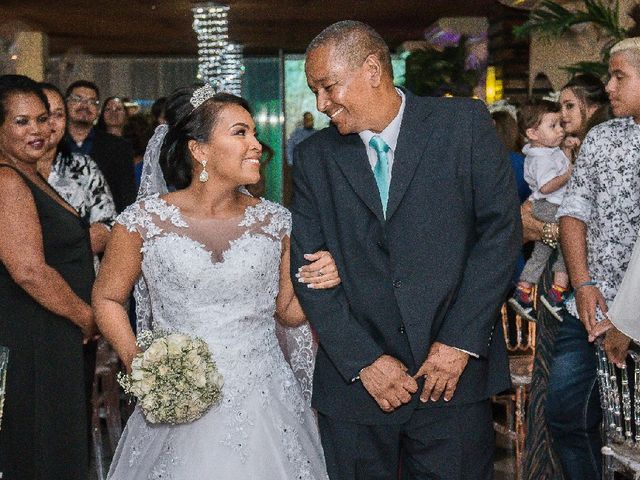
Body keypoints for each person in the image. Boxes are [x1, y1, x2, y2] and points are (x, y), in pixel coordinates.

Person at [291, 21, 520, 479]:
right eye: (315, 90)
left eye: (328, 87)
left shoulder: (464, 125)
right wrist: (364, 362)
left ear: (373, 69)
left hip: (451, 378)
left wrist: (459, 342)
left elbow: (501, 236)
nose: (321, 104)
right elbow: (308, 269)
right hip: (356, 388)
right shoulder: (316, 156)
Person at [93, 85, 342, 479]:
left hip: (264, 400)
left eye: (254, 133)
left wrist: (326, 273)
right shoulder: (142, 222)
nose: (256, 145)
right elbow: (107, 298)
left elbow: (289, 314)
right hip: (178, 398)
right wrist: (141, 361)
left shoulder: (277, 222)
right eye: (240, 133)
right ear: (200, 150)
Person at [549, 37, 640, 480]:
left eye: (620, 76)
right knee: (566, 415)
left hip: (636, 311)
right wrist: (583, 285)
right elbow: (573, 211)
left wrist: (629, 315)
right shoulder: (603, 137)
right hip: (589, 305)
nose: (608, 86)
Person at [0, 74, 96, 479]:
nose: (37, 130)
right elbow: (29, 271)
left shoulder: (29, 174)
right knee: (42, 453)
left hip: (52, 337)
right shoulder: (6, 180)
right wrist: (86, 316)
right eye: (22, 122)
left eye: (42, 119)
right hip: (33, 341)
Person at [521, 73, 610, 480]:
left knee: (583, 408)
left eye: (570, 106)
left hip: (593, 290)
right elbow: (522, 219)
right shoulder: (557, 153)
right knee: (555, 398)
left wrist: (549, 232)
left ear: (592, 107)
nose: (561, 113)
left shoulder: (602, 148)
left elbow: (600, 232)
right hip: (563, 293)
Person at [38, 83, 117, 262]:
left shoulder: (83, 165)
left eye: (58, 114)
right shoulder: (11, 169)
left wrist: (60, 257)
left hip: (81, 275)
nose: (51, 123)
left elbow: (108, 224)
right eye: (44, 116)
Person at [509, 101, 572, 322]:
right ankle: (556, 293)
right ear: (533, 133)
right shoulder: (541, 158)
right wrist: (569, 174)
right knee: (569, 246)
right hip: (550, 206)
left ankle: (523, 292)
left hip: (546, 205)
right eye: (553, 126)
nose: (560, 130)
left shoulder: (545, 152)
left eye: (560, 125)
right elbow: (546, 186)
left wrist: (566, 149)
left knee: (541, 253)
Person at [65, 80, 136, 213]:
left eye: (92, 102)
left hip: (105, 226)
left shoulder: (119, 147)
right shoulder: (51, 143)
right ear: (66, 104)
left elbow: (127, 196)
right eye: (78, 99)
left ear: (98, 110)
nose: (85, 105)